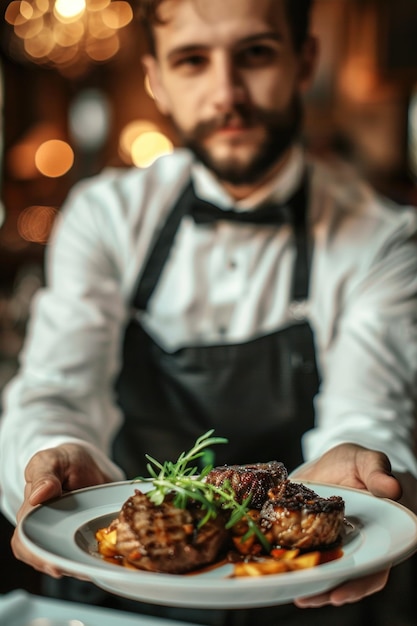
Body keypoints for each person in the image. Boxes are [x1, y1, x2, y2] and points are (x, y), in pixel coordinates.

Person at [1, 0, 417, 623]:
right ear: (157, 80)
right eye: (193, 61)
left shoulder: (386, 237)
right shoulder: (104, 214)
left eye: (255, 54)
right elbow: (56, 387)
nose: (227, 92)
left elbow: (371, 407)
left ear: (304, 63)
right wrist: (51, 454)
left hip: (301, 590)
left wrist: (360, 466)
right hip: (120, 584)